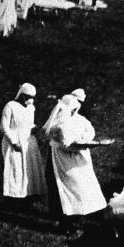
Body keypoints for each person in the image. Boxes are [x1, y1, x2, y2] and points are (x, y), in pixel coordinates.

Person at [45, 92, 106, 234]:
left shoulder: (78, 119)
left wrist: (84, 139)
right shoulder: (59, 125)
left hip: (76, 157)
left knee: (79, 185)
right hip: (62, 159)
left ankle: (76, 217)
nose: (75, 111)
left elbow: (89, 130)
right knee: (63, 187)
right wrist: (93, 144)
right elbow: (67, 145)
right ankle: (65, 221)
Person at [1, 83, 48, 203]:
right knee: (15, 168)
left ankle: (28, 193)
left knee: (29, 168)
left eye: (32, 97)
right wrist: (14, 142)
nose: (30, 100)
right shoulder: (10, 106)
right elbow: (4, 127)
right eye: (28, 97)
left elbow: (28, 123)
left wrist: (34, 128)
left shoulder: (31, 108)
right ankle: (14, 196)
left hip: (28, 140)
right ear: (22, 95)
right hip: (14, 141)